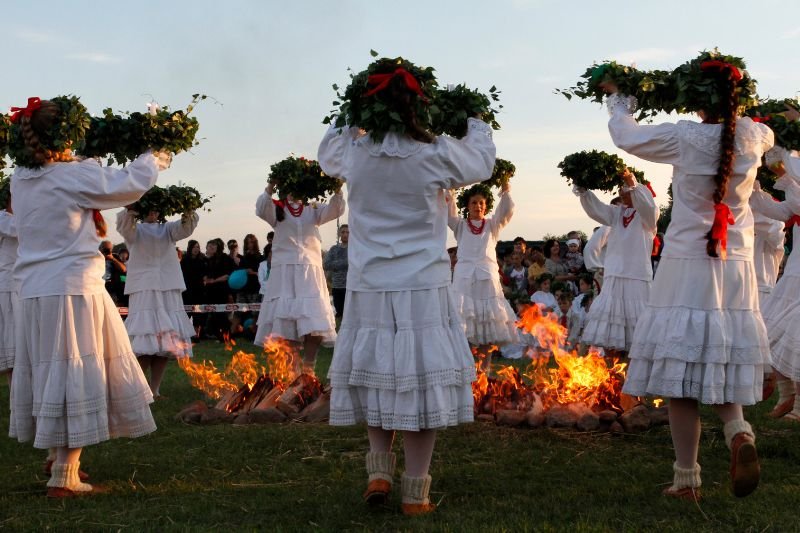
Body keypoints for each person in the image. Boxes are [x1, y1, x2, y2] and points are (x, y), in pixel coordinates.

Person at [318, 60, 496, 515]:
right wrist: (473, 118)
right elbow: (483, 160)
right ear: (420, 105)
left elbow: (327, 151)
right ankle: (415, 492)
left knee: (379, 372)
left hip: (370, 283)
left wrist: (350, 116)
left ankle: (378, 471)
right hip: (421, 282)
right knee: (418, 383)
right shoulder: (435, 151)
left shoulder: (355, 153)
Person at [602, 57, 773, 500]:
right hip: (735, 261)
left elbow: (626, 137)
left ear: (696, 100)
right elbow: (766, 130)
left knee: (680, 375)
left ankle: (687, 479)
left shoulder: (685, 136)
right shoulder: (753, 136)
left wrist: (621, 101)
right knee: (718, 353)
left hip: (687, 259)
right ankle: (737, 429)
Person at [7, 97, 165, 498]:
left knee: (52, 373)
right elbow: (129, 184)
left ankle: (57, 455)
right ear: (66, 135)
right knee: (75, 373)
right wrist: (156, 152)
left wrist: (85, 159)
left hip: (36, 291)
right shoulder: (71, 176)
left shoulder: (22, 179)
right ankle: (64, 473)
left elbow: (74, 176)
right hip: (72, 290)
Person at [254, 180, 344, 374]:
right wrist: (270, 186)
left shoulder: (313, 208)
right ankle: (292, 369)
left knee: (314, 320)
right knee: (287, 320)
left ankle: (308, 368)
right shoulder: (277, 208)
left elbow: (336, 210)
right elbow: (261, 209)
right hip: (284, 270)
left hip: (309, 268)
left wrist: (337, 188)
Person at [116, 206, 198, 398]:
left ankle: (154, 389)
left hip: (167, 285)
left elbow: (185, 229)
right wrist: (131, 209)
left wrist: (188, 209)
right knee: (146, 340)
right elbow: (124, 227)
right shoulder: (135, 230)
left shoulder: (168, 229)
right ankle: (137, 388)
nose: (152, 213)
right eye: (149, 209)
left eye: (155, 210)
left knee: (165, 343)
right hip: (144, 287)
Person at [574, 169, 658, 354]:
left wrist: (633, 183)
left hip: (637, 276)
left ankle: (631, 367)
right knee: (609, 324)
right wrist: (584, 190)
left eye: (626, 190)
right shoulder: (617, 213)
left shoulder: (648, 216)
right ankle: (609, 368)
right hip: (614, 274)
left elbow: (649, 209)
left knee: (636, 326)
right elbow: (597, 209)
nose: (621, 193)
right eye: (621, 190)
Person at [750, 145, 800, 418]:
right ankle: (786, 393)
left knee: (797, 334)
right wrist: (753, 192)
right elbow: (779, 211)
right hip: (794, 274)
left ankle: (797, 405)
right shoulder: (794, 198)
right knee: (770, 330)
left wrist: (785, 168)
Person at [447, 183, 518, 372]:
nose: (478, 206)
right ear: (467, 206)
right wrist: (450, 190)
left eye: (481, 203)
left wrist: (505, 190)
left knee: (487, 324)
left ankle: (484, 369)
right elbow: (449, 212)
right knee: (466, 323)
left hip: (487, 280)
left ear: (485, 206)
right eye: (473, 203)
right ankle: (468, 367)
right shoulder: (460, 225)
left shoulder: (492, 225)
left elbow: (507, 211)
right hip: (464, 281)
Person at [0, 197, 18, 383]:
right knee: (12, 345)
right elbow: (17, 229)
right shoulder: (3, 218)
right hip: (8, 287)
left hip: (22, 285)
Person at [203, 239, 235, 340]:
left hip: (222, 291)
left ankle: (226, 336)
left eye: (214, 246)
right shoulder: (209, 260)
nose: (212, 248)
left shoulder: (225, 258)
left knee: (221, 314)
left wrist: (214, 281)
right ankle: (217, 335)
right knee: (214, 315)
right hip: (210, 292)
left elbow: (227, 276)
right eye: (210, 246)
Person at [180, 239, 206, 337]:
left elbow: (204, 274)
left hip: (198, 290)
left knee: (198, 314)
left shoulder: (202, 260)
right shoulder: (184, 260)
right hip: (187, 290)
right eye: (194, 247)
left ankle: (197, 335)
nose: (196, 249)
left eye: (198, 247)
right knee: (186, 313)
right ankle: (185, 334)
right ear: (190, 248)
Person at [323, 224, 349, 319]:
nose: (345, 234)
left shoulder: (353, 248)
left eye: (347, 232)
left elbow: (354, 262)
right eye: (343, 232)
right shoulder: (334, 249)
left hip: (350, 286)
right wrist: (344, 263)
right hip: (336, 286)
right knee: (339, 313)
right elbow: (326, 264)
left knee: (349, 315)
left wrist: (336, 265)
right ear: (339, 234)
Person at [100, 239, 126, 305]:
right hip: (99, 287)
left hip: (112, 288)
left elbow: (123, 269)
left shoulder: (115, 256)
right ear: (100, 249)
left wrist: (112, 259)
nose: (107, 251)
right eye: (105, 249)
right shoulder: (96, 257)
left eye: (109, 249)